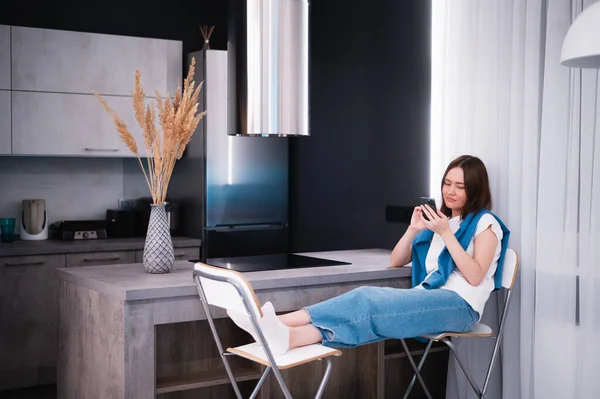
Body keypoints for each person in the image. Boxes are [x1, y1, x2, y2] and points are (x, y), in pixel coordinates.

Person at [228, 155, 510, 355]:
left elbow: (474, 276)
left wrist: (446, 234)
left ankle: (271, 321)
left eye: (460, 187)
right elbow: (397, 260)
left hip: (460, 307)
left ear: (475, 189)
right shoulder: (442, 221)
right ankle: (286, 335)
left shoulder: (486, 223)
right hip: (430, 297)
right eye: (447, 183)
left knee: (366, 299)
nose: (450, 191)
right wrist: (414, 230)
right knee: (367, 318)